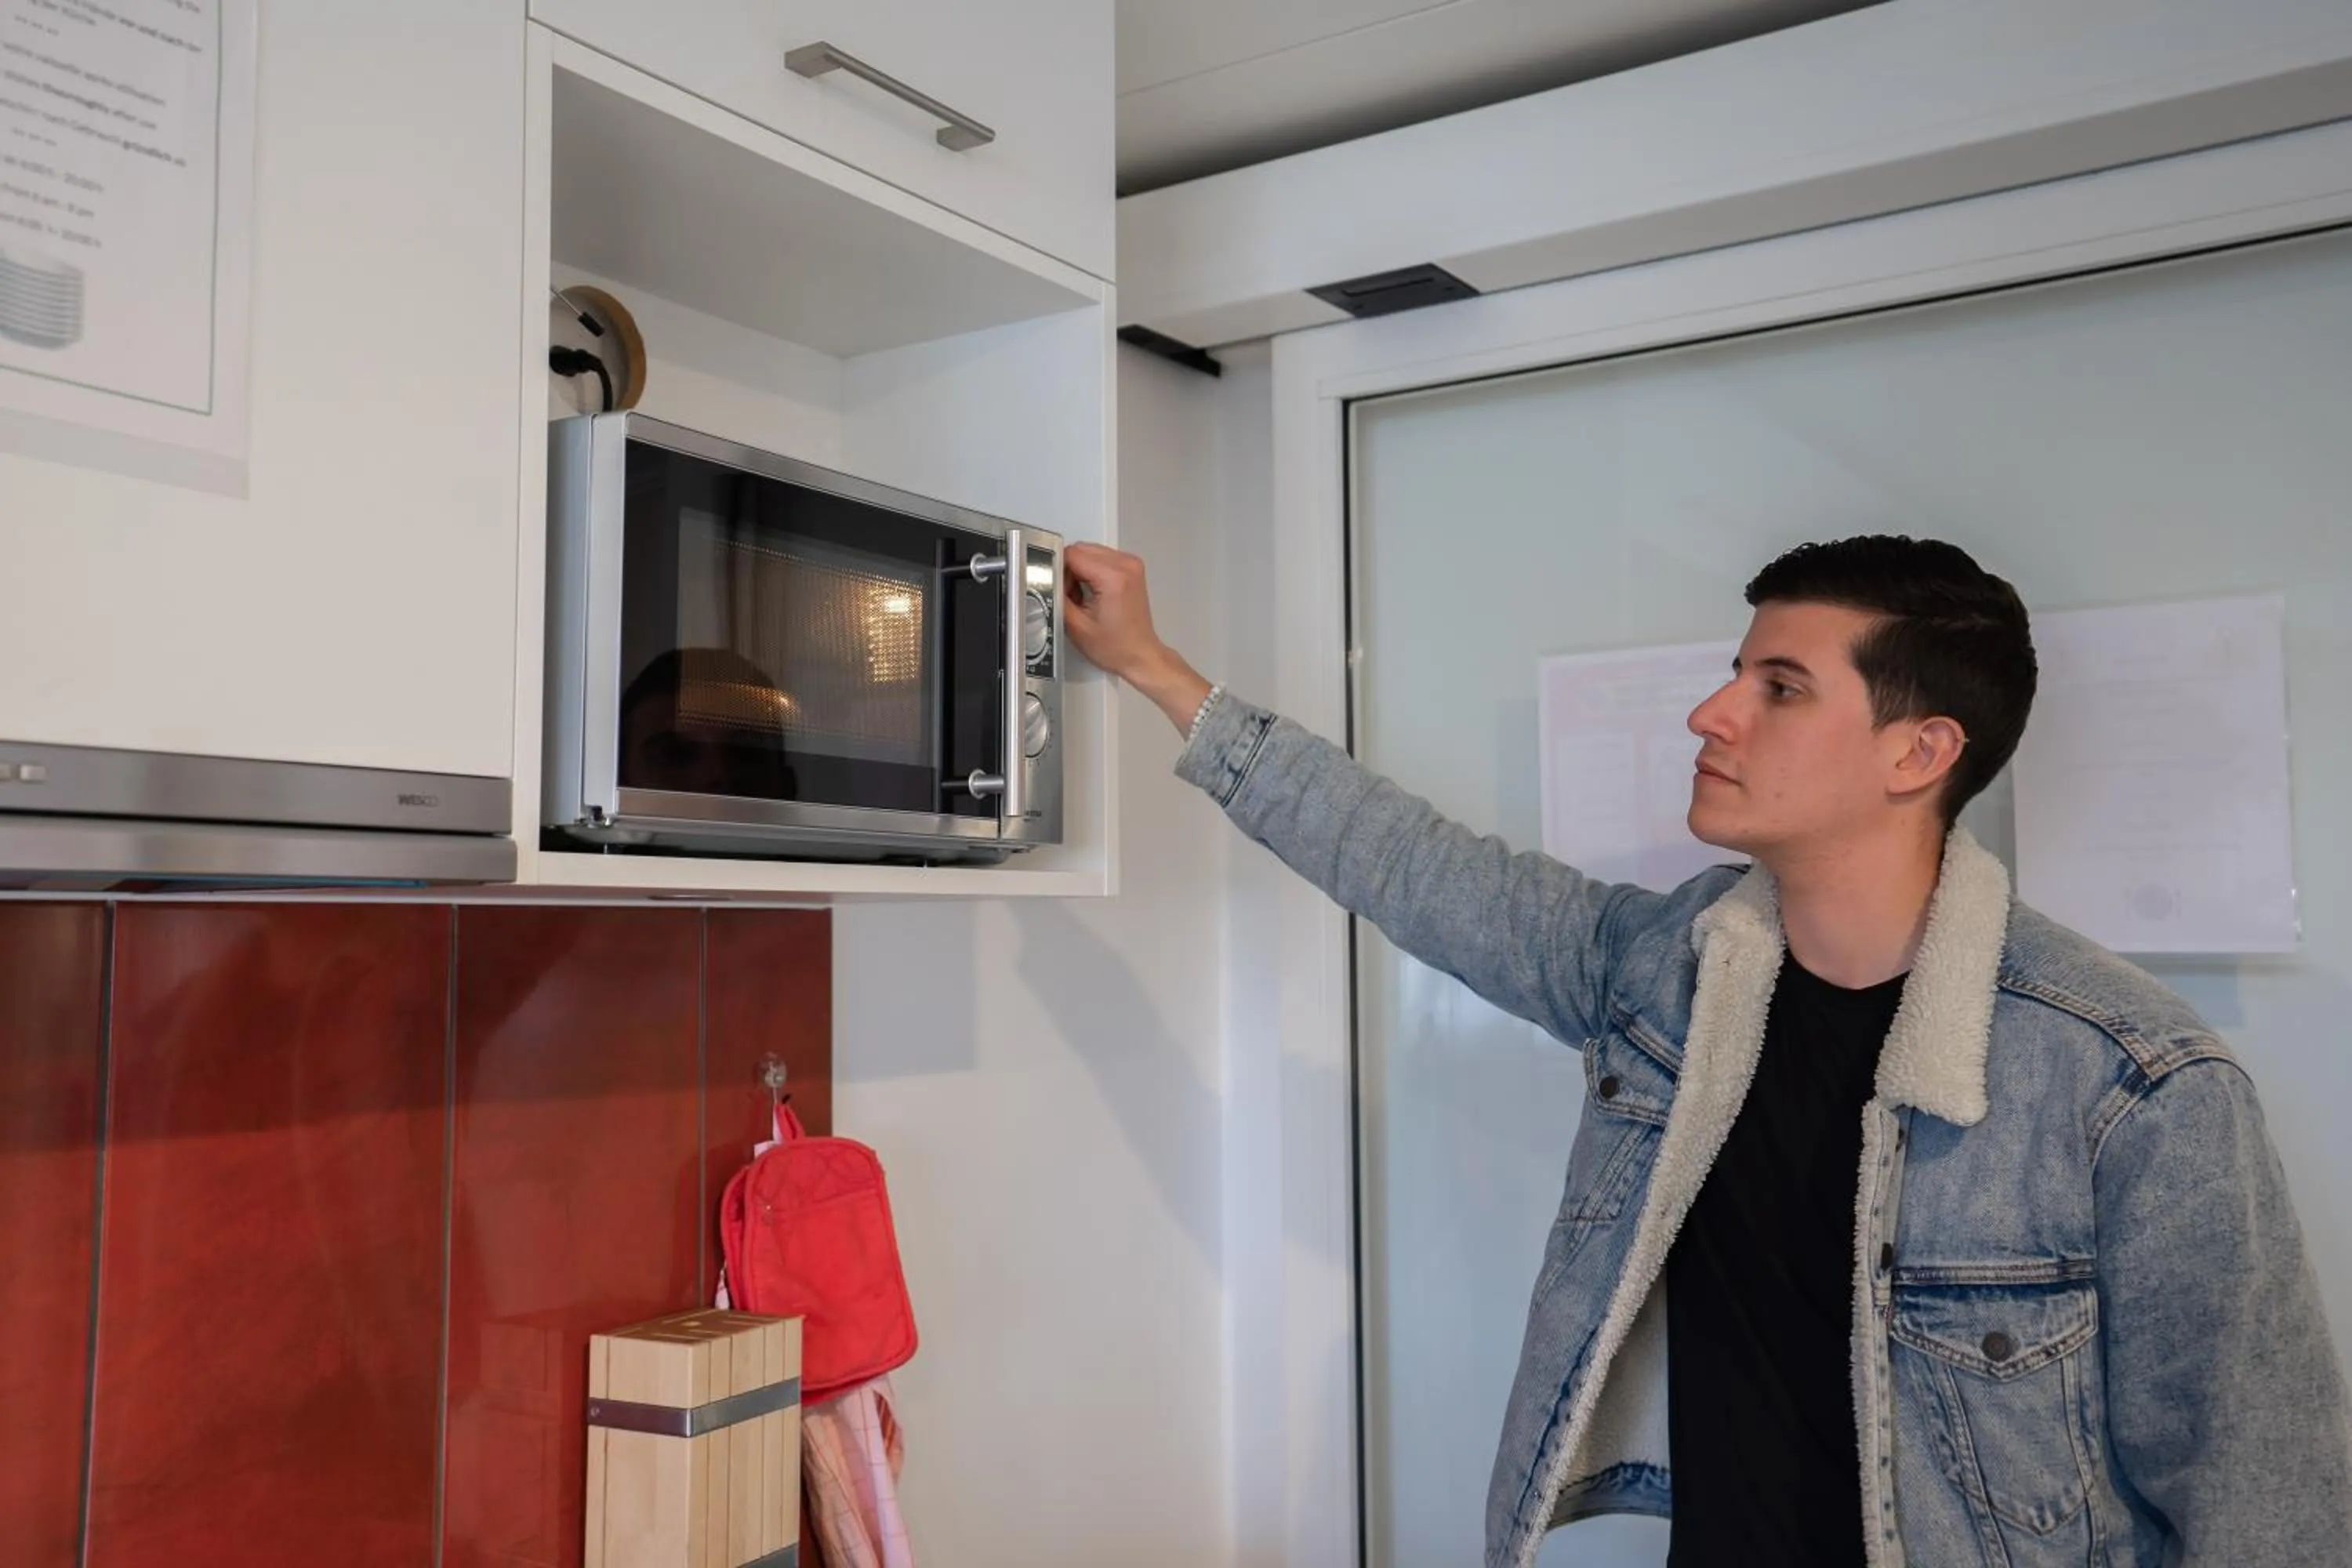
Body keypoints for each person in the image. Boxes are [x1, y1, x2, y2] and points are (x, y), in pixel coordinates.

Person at [1060, 534, 2351, 1568]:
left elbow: (2261, 1496)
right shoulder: (1667, 972)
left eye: (1780, 688)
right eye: (1739, 674)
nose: (1711, 713)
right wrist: (1155, 669)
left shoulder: (2133, 1082)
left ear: (1920, 752)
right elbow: (1413, 865)